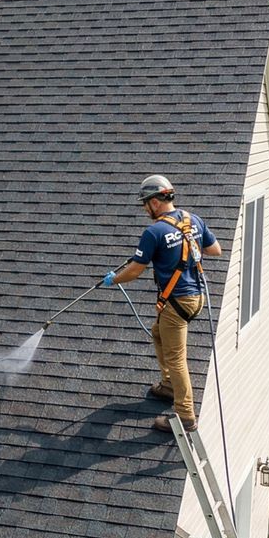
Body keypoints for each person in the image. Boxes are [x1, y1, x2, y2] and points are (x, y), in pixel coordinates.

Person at [104, 174, 221, 432]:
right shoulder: (193, 220)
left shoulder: (154, 232)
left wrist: (114, 280)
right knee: (158, 332)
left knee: (176, 358)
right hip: (197, 297)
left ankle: (185, 416)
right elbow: (215, 250)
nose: (145, 209)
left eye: (145, 203)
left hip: (178, 303)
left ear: (155, 202)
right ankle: (168, 386)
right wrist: (186, 246)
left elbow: (135, 271)